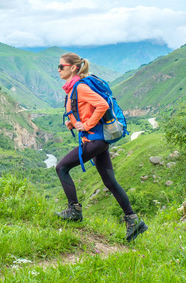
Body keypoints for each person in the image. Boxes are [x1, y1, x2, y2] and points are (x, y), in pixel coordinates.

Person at [55, 52, 148, 242]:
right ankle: (133, 220)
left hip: (96, 140)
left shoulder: (80, 87)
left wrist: (87, 126)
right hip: (98, 140)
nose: (58, 70)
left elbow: (102, 104)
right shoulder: (73, 88)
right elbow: (85, 110)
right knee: (110, 182)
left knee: (62, 168)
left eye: (61, 66)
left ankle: (74, 210)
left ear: (73, 68)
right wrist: (74, 123)